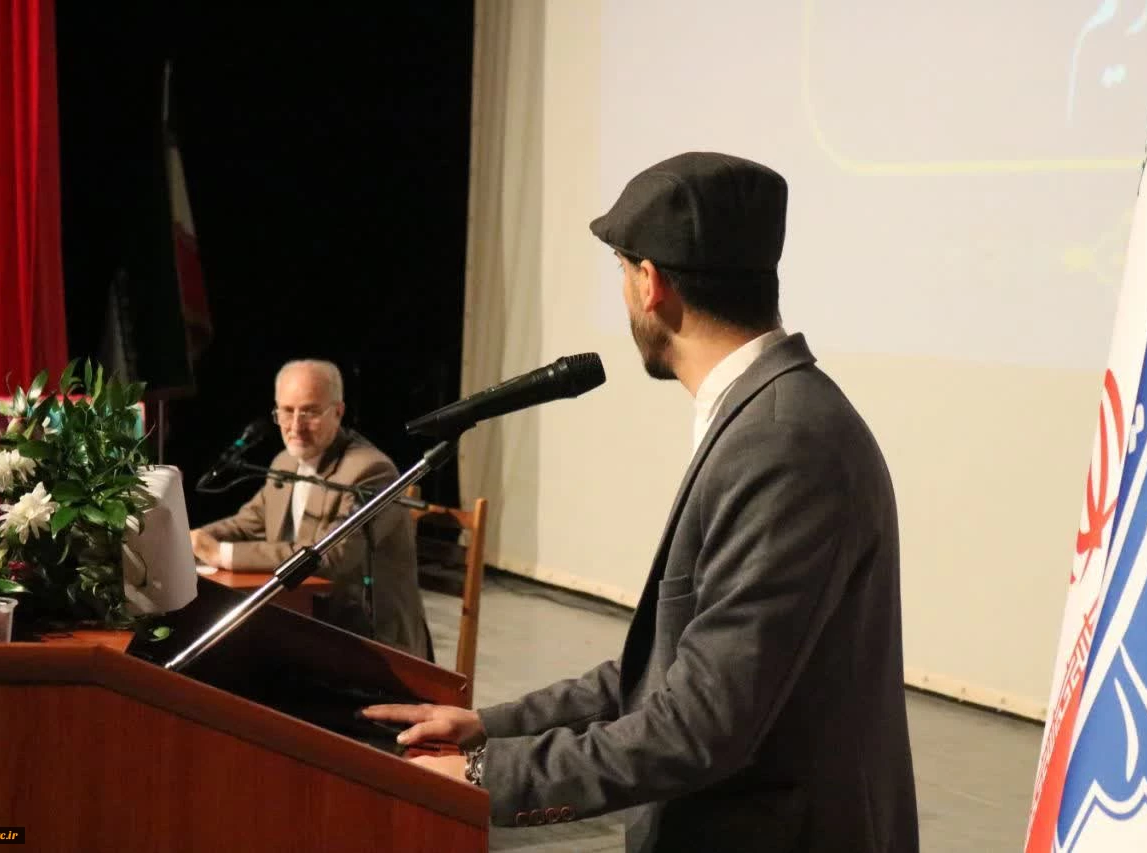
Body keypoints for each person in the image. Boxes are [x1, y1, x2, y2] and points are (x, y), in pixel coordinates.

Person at [363, 152, 919, 852]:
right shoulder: (768, 418)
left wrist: (485, 774)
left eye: (621, 270)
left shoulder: (783, 444)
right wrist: (490, 727)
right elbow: (667, 670)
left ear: (650, 282)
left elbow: (701, 722)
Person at [190, 359, 431, 659]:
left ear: (338, 412)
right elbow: (247, 522)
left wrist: (222, 554)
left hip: (369, 638)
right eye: (286, 411)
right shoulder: (285, 462)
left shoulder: (371, 471)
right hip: (303, 618)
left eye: (310, 412)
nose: (295, 426)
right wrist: (190, 541)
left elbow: (332, 555)